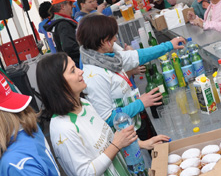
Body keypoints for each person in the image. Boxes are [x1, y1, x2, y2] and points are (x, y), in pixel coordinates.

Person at [36, 53, 169, 176]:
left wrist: (143, 144)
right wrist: (116, 145)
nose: (81, 72)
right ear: (58, 84)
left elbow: (109, 139)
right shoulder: (62, 128)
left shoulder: (84, 104)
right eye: (73, 70)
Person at [76, 13, 184, 146]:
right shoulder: (94, 76)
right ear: (103, 41)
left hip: (134, 128)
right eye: (113, 36)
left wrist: (169, 45)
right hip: (123, 139)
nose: (116, 39)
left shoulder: (109, 58)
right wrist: (140, 103)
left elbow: (138, 56)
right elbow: (107, 119)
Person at [42, 0, 80, 67]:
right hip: (77, 64)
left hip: (67, 64)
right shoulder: (63, 24)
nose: (73, 6)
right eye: (70, 4)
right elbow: (69, 47)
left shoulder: (53, 22)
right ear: (62, 6)